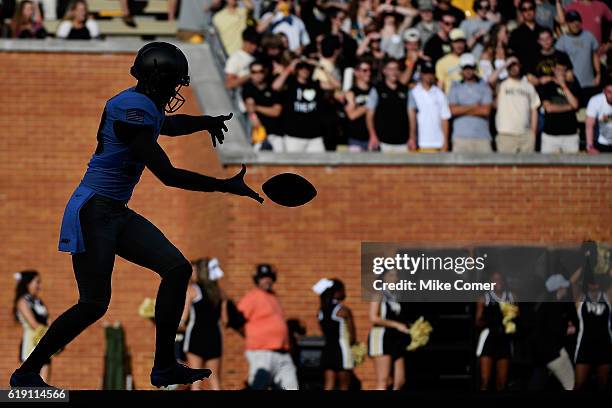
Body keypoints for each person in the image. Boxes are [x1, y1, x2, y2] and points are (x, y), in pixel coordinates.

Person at [9, 42, 264, 389]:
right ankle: (27, 372)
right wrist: (224, 186)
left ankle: (163, 367)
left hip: (113, 211)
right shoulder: (130, 111)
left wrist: (205, 121)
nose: (176, 90)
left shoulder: (142, 104)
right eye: (174, 82)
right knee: (93, 304)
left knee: (177, 269)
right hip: (93, 211)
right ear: (159, 80)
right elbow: (168, 175)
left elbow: (168, 125)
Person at [237, 264, 299, 390]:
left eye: (269, 277)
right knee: (258, 387)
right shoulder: (252, 297)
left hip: (282, 352)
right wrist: (250, 335)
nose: (267, 280)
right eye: (263, 277)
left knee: (291, 386)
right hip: (261, 352)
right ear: (257, 279)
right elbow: (237, 320)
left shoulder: (273, 297)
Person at [181, 258, 227, 390]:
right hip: (215, 337)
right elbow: (225, 320)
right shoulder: (219, 292)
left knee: (196, 380)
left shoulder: (192, 290)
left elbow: (183, 318)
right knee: (215, 380)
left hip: (196, 336)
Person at [572, 241, 612, 390]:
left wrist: (606, 263)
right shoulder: (581, 299)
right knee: (579, 385)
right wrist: (585, 264)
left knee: (604, 386)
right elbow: (572, 283)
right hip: (585, 347)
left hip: (605, 346)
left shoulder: (607, 297)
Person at [529, 273, 578, 390]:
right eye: (564, 286)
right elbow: (555, 329)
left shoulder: (544, 305)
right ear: (559, 288)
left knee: (538, 384)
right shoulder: (554, 306)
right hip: (553, 353)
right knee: (570, 385)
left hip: (541, 354)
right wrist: (568, 329)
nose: (566, 289)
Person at [368, 269, 411, 390]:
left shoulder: (396, 295)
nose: (395, 278)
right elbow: (373, 317)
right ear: (383, 277)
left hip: (396, 340)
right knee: (384, 380)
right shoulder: (378, 294)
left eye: (397, 275)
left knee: (400, 381)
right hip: (381, 338)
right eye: (391, 275)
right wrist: (397, 325)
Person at [272, 59, 327, 152]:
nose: (305, 71)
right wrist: (290, 67)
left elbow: (336, 85)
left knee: (320, 164)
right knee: (293, 165)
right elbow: (275, 86)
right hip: (293, 136)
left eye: (307, 68)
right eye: (301, 68)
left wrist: (321, 67)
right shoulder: (290, 83)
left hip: (314, 136)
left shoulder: (315, 84)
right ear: (297, 70)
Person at [313, 278, 356, 390]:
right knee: (344, 386)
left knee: (328, 385)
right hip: (342, 350)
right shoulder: (343, 310)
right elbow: (352, 337)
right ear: (337, 292)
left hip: (327, 350)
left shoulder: (321, 311)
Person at [475, 271, 516, 390]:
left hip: (504, 339)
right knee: (485, 380)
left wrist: (509, 319)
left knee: (502, 383)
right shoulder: (484, 298)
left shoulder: (511, 296)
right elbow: (477, 321)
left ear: (503, 281)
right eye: (494, 279)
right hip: (489, 339)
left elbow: (517, 316)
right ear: (490, 282)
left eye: (499, 278)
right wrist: (490, 319)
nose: (497, 281)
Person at [448, 53, 493, 153]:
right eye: (465, 68)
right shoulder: (455, 86)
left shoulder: (484, 86)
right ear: (461, 69)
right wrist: (475, 106)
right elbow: (452, 110)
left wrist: (462, 109)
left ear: (475, 68)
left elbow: (486, 111)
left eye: (470, 68)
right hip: (460, 138)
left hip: (482, 137)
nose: (468, 71)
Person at [495, 57, 541, 153]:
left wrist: (533, 133)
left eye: (515, 65)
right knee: (506, 167)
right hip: (505, 134)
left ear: (520, 67)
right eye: (510, 66)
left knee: (527, 167)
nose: (513, 68)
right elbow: (490, 80)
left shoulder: (529, 86)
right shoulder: (501, 85)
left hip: (526, 135)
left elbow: (534, 109)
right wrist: (504, 65)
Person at [13, 270, 51, 385]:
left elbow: (49, 321)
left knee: (44, 381)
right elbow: (33, 324)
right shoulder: (22, 302)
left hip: (44, 342)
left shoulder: (39, 302)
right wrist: (51, 335)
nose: (39, 286)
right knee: (32, 382)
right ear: (27, 283)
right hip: (31, 344)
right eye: (37, 282)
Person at [555, 11, 600, 105]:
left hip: (589, 83)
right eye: (571, 21)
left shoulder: (589, 36)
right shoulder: (562, 41)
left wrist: (598, 74)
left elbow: (595, 56)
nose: (575, 24)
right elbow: (559, 64)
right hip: (572, 85)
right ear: (567, 24)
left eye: (577, 21)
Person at [366, 58, 410, 152]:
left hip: (402, 142)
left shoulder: (406, 90)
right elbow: (369, 115)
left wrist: (412, 137)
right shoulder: (377, 89)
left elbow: (412, 115)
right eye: (390, 69)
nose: (394, 72)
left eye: (396, 69)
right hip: (382, 142)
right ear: (384, 71)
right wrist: (373, 136)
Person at [538, 58, 581, 153]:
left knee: (572, 167)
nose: (560, 72)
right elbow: (549, 108)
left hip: (570, 135)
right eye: (558, 69)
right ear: (553, 69)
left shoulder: (572, 85)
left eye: (563, 70)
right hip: (550, 135)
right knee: (547, 166)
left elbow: (575, 104)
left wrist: (563, 86)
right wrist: (569, 107)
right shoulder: (547, 86)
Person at [409, 60, 451, 152]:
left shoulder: (440, 94)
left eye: (431, 73)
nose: (429, 76)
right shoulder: (413, 92)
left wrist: (445, 142)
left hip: (437, 143)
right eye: (426, 73)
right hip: (418, 143)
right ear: (421, 74)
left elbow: (445, 118)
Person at [242, 60, 284, 151]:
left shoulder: (273, 88)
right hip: (258, 134)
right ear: (250, 73)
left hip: (276, 133)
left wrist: (256, 107)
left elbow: (276, 112)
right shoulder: (248, 88)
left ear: (265, 72)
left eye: (260, 71)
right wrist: (254, 117)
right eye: (254, 72)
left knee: (281, 162)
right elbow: (250, 108)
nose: (257, 74)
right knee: (259, 163)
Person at [508, 0, 543, 76]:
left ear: (535, 10)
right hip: (524, 76)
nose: (528, 12)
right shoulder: (515, 34)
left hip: (543, 74)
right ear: (521, 12)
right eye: (524, 9)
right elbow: (512, 56)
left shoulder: (543, 31)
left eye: (530, 8)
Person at [344, 59, 372, 151]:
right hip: (356, 138)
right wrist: (370, 104)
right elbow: (352, 115)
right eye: (364, 70)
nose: (368, 73)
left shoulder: (374, 90)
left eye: (369, 70)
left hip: (372, 138)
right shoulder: (351, 92)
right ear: (356, 72)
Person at [585, 74, 612, 153]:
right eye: (609, 92)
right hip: (601, 143)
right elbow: (589, 125)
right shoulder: (595, 101)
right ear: (604, 91)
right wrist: (590, 146)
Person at [435, 28, 467, 93]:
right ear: (451, 43)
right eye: (456, 42)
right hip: (450, 100)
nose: (459, 45)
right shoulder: (442, 62)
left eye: (461, 42)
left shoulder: (472, 60)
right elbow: (440, 85)